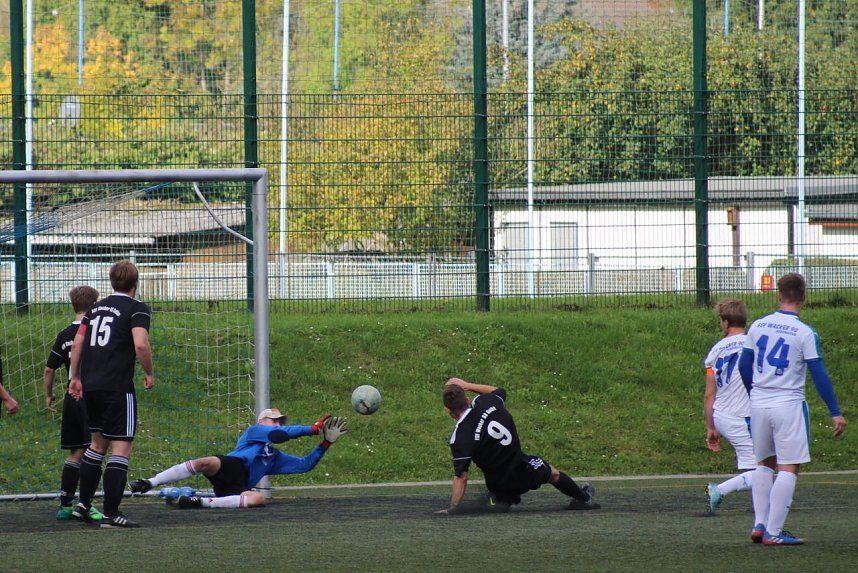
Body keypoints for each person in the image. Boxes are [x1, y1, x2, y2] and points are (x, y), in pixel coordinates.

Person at [739, 272, 847, 546]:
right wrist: (834, 411)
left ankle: (759, 524)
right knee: (788, 466)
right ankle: (774, 532)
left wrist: (755, 392)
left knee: (764, 464)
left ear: (778, 295)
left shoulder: (758, 325)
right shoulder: (804, 332)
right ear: (804, 298)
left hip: (759, 403)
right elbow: (818, 373)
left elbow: (743, 365)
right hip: (788, 404)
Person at [68, 260, 155, 528]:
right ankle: (110, 514)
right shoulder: (136, 308)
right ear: (135, 283)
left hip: (91, 385)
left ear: (111, 282)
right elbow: (141, 344)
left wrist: (75, 377)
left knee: (96, 445)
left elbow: (78, 342)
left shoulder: (95, 308)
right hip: (117, 387)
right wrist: (149, 372)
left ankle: (83, 505)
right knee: (121, 448)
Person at [436, 377, 599, 514]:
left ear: (447, 410)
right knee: (553, 474)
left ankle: (499, 500)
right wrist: (467, 385)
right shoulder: (486, 402)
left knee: (497, 499)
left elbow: (461, 477)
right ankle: (584, 499)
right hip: (523, 469)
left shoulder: (460, 437)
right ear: (467, 400)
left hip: (498, 485)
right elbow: (498, 390)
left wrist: (453, 509)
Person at [129, 409, 348, 509]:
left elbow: (304, 465)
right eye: (274, 420)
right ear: (261, 421)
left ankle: (198, 502)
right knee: (206, 462)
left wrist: (326, 443)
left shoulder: (275, 457)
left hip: (239, 485)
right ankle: (150, 482)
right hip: (230, 466)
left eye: (281, 421)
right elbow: (279, 434)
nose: (278, 424)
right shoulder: (254, 432)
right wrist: (312, 429)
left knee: (258, 499)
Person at [45, 285, 102, 522]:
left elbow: (49, 369)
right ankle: (86, 504)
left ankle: (65, 505)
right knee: (95, 449)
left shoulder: (64, 334)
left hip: (71, 396)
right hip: (91, 395)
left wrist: (48, 394)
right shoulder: (96, 332)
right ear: (95, 306)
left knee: (76, 451)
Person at [702, 298, 758, 514]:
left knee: (766, 469)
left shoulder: (715, 351)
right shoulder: (754, 345)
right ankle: (719, 490)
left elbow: (710, 394)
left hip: (723, 414)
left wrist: (711, 427)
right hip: (742, 416)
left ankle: (765, 507)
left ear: (725, 323)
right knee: (766, 472)